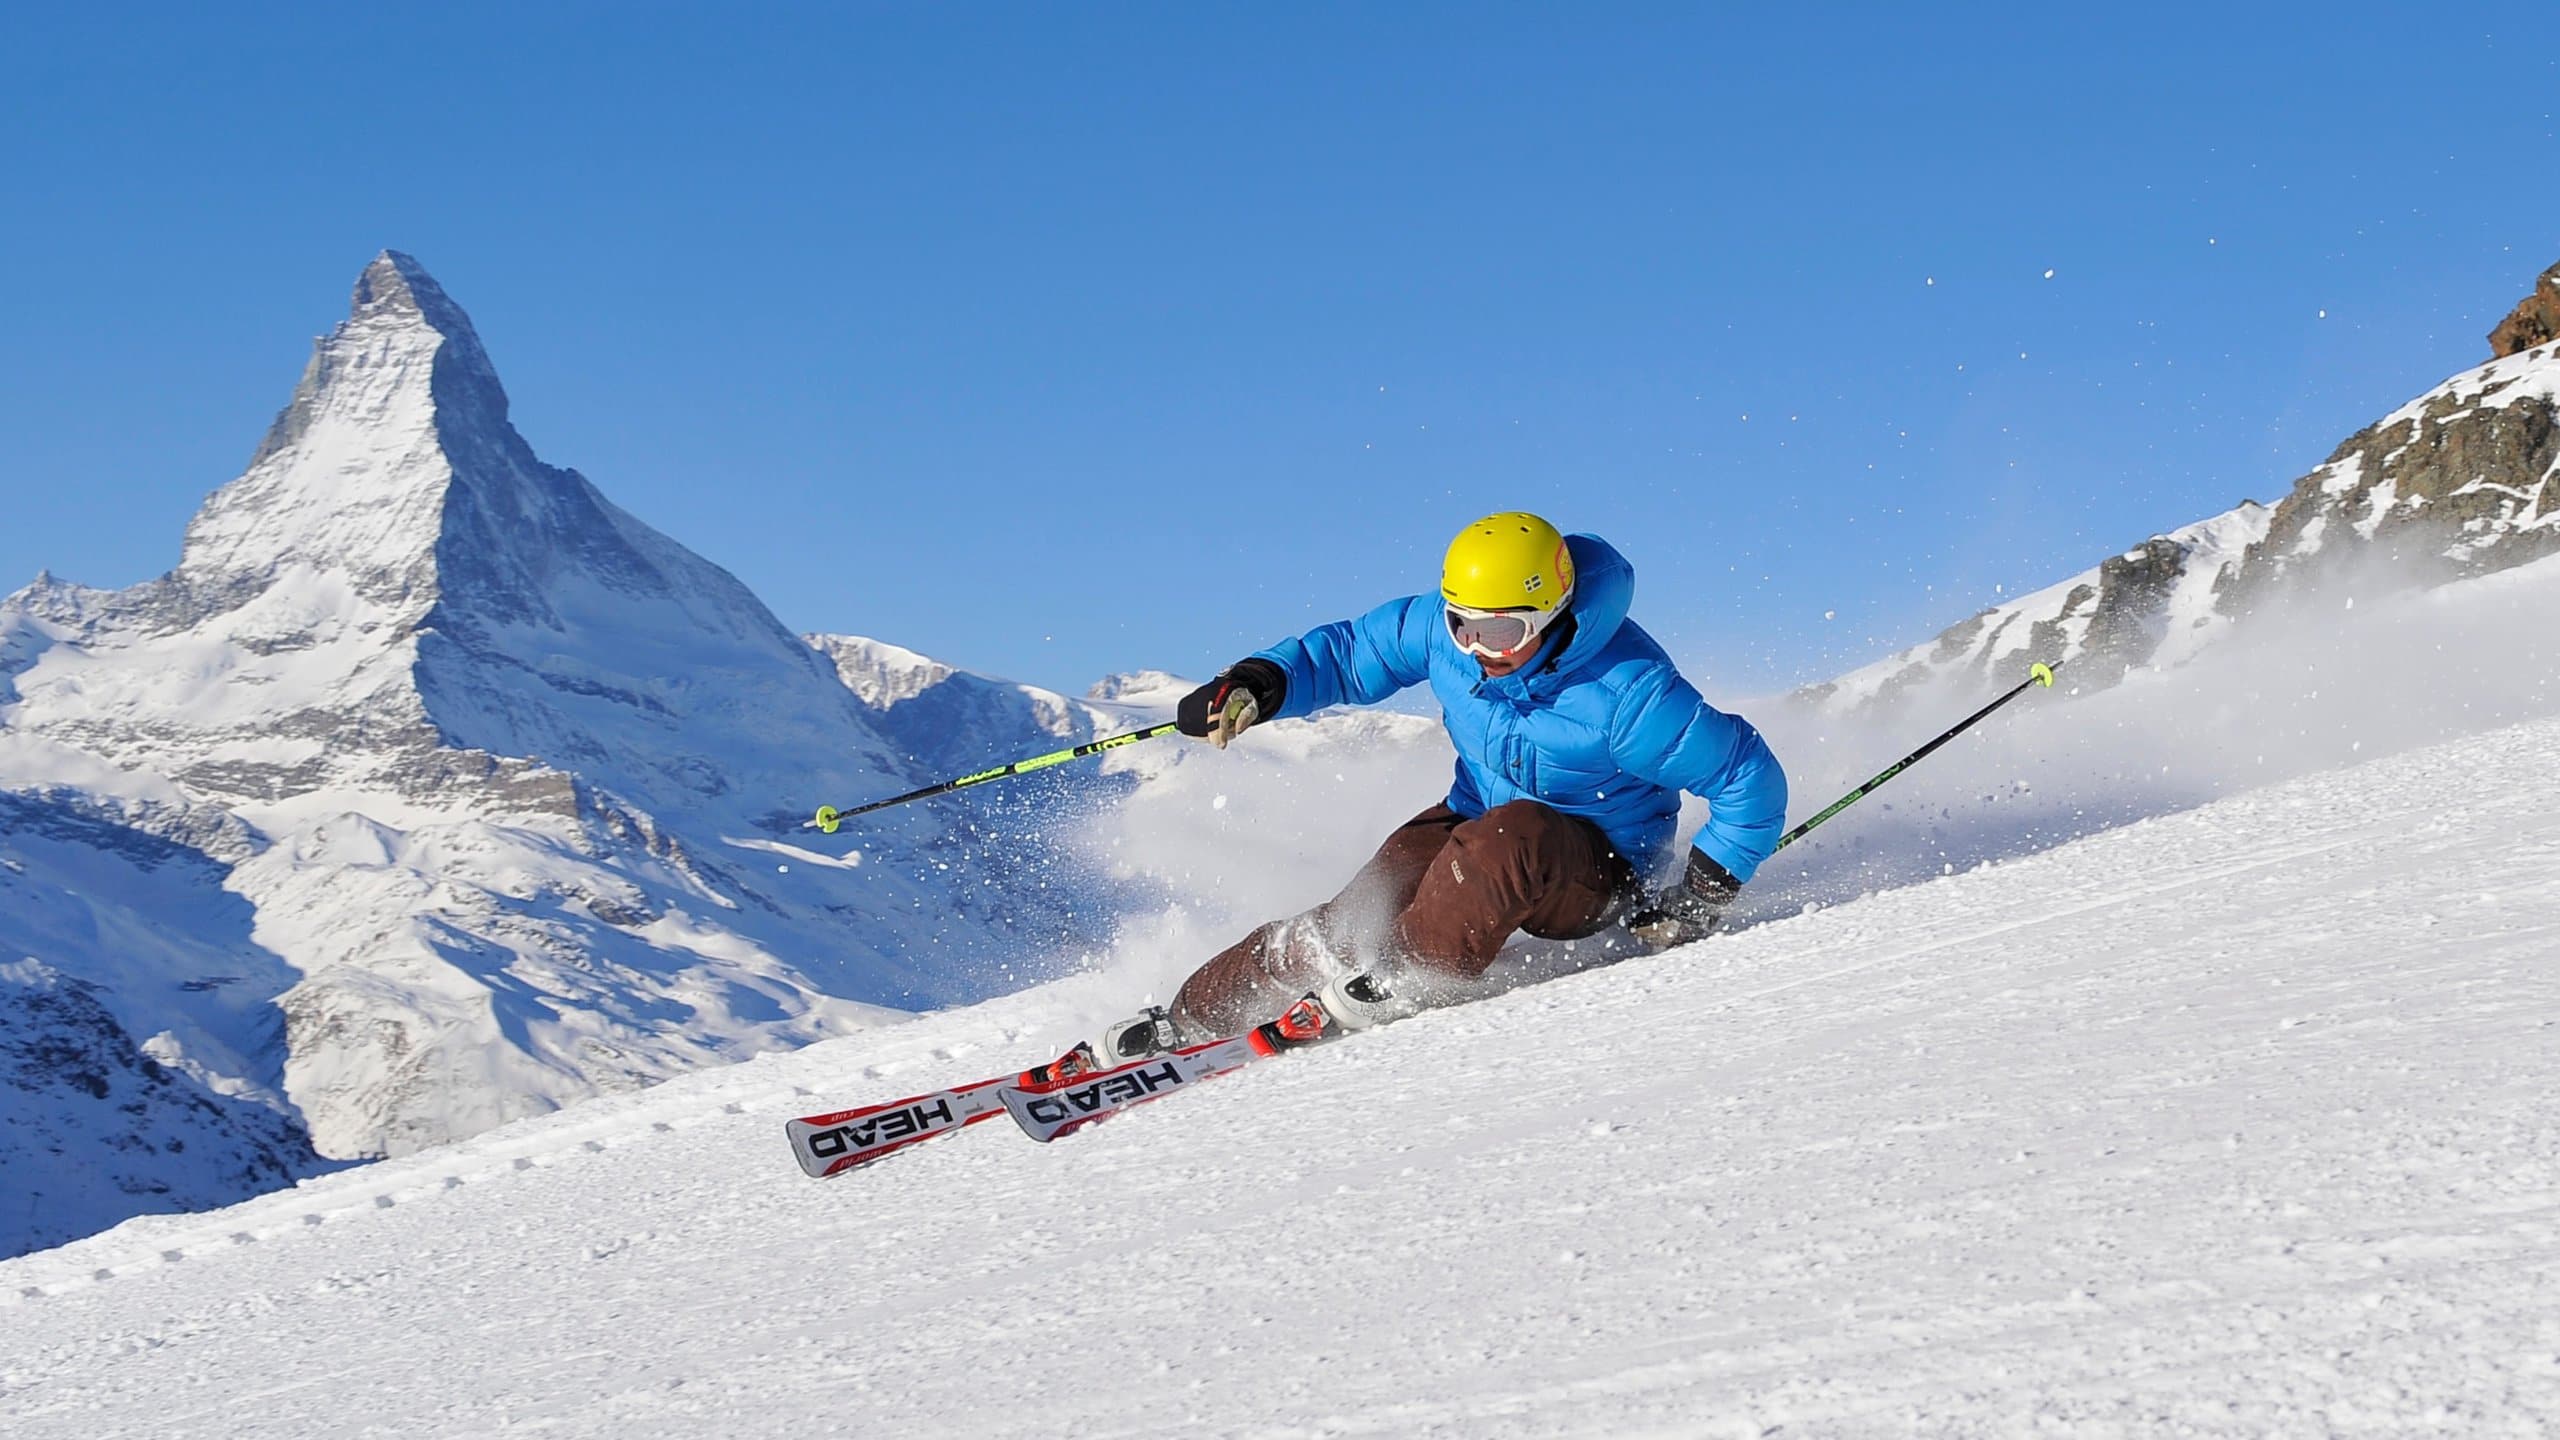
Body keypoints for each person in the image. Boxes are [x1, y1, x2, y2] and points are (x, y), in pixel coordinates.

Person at [1100, 511, 1788, 1060]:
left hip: (1596, 868)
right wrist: (1259, 683)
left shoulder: (1629, 692)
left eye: (1502, 631)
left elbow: (1747, 779)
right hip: (1477, 825)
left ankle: (1402, 978)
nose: (1479, 649)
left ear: (1551, 613)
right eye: (1462, 626)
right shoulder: (1445, 634)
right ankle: (1191, 1019)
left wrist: (1699, 898)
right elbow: (1349, 653)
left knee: (1509, 840)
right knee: (1361, 910)